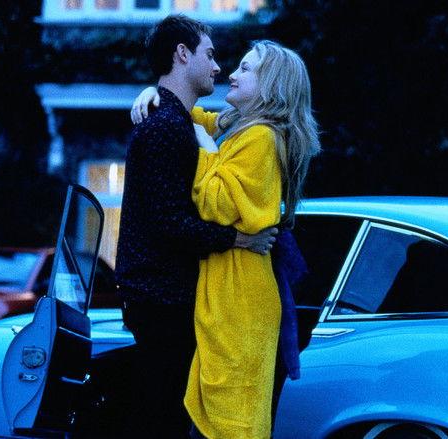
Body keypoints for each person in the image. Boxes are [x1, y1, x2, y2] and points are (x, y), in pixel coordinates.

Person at [132, 40, 321, 438]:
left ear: (271, 84)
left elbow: (216, 205)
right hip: (233, 287)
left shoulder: (263, 137)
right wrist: (156, 94)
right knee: (222, 411)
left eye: (246, 69)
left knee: (232, 418)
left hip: (241, 296)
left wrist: (205, 150)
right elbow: (192, 115)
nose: (231, 74)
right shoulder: (241, 126)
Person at [115, 16, 278, 439]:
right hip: (162, 296)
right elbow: (170, 223)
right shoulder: (167, 127)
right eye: (210, 54)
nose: (219, 67)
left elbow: (212, 124)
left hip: (163, 295)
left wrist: (157, 94)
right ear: (183, 54)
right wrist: (238, 238)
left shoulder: (174, 122)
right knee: (161, 419)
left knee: (163, 416)